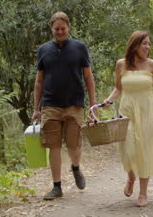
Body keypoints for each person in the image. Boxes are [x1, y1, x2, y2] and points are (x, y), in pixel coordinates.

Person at [103, 30, 153, 207]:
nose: (148, 47)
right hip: (127, 109)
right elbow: (118, 88)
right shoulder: (121, 64)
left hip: (147, 110)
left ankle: (143, 193)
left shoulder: (152, 65)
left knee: (144, 149)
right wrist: (108, 101)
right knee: (127, 147)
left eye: (149, 44)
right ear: (134, 45)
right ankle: (130, 176)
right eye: (144, 43)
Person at [32, 11, 97, 200]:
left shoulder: (79, 48)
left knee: (74, 144)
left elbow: (88, 76)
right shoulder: (43, 50)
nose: (60, 31)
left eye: (63, 28)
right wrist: (36, 108)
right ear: (51, 28)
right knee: (54, 146)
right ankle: (57, 186)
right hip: (50, 105)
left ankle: (75, 167)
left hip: (74, 104)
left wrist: (93, 105)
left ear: (68, 27)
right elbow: (39, 81)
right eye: (56, 28)